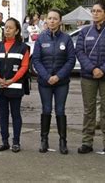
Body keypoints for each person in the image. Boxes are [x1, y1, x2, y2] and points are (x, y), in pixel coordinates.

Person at [75, 0, 105, 156]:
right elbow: (80, 52)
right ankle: (87, 141)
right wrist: (93, 68)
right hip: (88, 76)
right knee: (89, 110)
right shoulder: (84, 31)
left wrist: (102, 69)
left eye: (98, 11)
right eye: (93, 11)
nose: (95, 13)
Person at [32, 9, 76, 154]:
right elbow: (36, 60)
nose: (52, 21)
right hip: (45, 82)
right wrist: (47, 76)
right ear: (46, 21)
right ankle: (44, 140)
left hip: (61, 82)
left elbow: (71, 60)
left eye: (55, 19)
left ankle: (63, 141)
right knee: (46, 109)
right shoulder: (41, 39)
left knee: (60, 110)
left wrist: (58, 76)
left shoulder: (66, 39)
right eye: (49, 18)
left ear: (60, 21)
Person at [0, 18, 30, 153]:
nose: (7, 30)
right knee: (3, 115)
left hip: (15, 87)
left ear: (17, 30)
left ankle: (16, 142)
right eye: (6, 27)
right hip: (0, 86)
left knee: (15, 114)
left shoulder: (23, 48)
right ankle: (4, 141)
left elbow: (24, 67)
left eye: (10, 28)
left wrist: (11, 80)